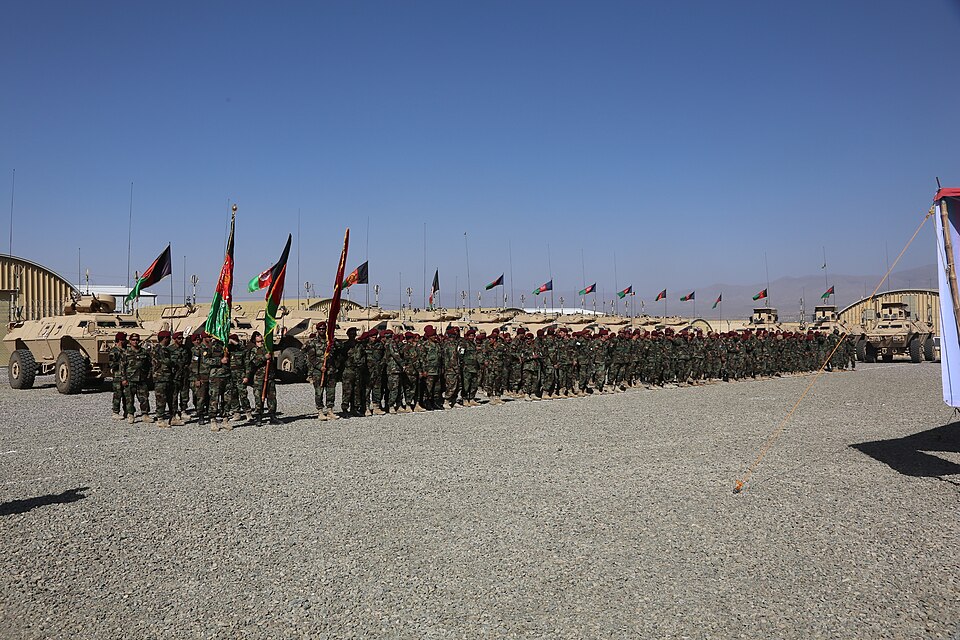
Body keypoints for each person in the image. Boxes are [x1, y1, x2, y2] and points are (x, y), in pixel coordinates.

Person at [245, 331, 280, 425]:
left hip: (269, 376)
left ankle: (272, 415)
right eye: (257, 335)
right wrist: (264, 358)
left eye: (260, 335)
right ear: (254, 339)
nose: (259, 336)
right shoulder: (254, 350)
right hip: (259, 377)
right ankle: (259, 417)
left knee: (272, 396)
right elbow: (253, 362)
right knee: (258, 397)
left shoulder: (267, 348)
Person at [121, 332, 152, 424]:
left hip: (141, 379)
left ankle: (145, 414)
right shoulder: (126, 352)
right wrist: (123, 379)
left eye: (137, 340)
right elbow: (122, 367)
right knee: (129, 398)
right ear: (130, 341)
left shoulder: (143, 352)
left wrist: (148, 375)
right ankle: (130, 414)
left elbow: (149, 365)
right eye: (133, 340)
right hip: (130, 379)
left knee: (144, 398)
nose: (135, 341)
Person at [151, 330, 176, 428]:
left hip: (168, 377)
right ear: (165, 338)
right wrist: (173, 362)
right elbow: (166, 361)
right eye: (169, 338)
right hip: (160, 377)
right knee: (161, 399)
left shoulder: (166, 349)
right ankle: (160, 419)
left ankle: (172, 418)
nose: (170, 340)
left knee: (171, 398)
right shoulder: (158, 349)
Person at [110, 332, 128, 420]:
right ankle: (115, 412)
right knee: (118, 394)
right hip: (118, 376)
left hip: (126, 376)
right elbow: (112, 364)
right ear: (120, 340)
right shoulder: (114, 351)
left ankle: (127, 411)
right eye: (124, 339)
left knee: (126, 394)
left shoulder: (125, 350)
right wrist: (121, 363)